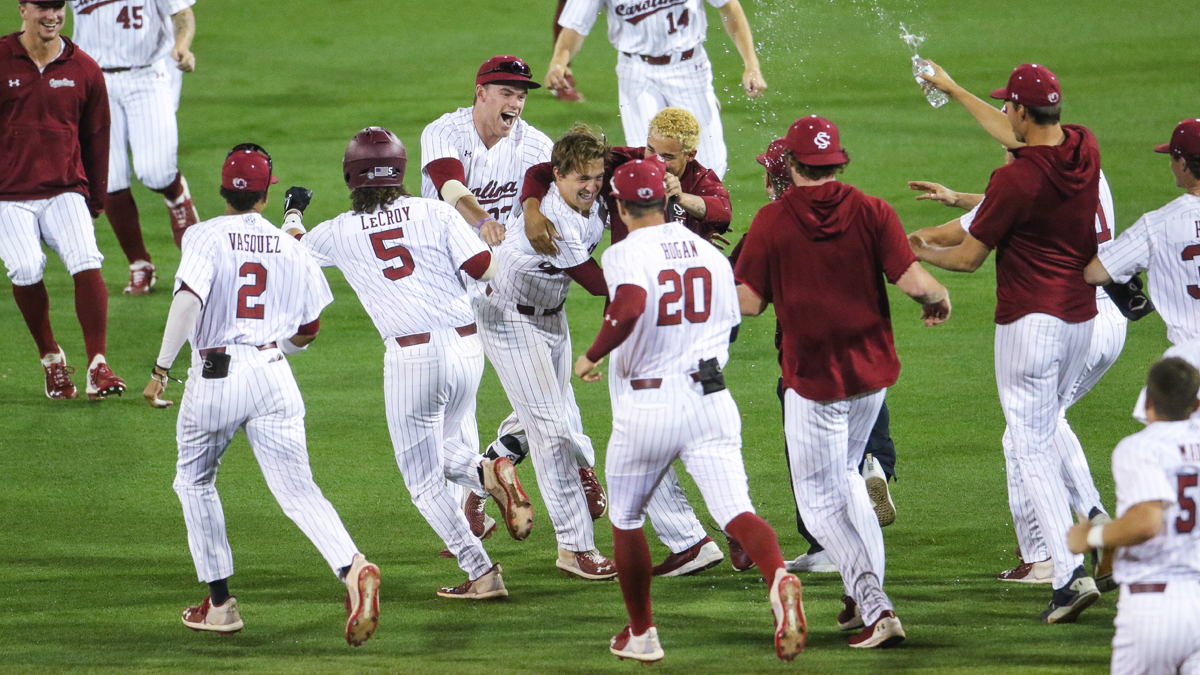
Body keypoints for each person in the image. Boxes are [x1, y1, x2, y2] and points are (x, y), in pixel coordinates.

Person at [142, 144, 380, 645]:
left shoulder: (203, 234)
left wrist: (161, 370)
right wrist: (278, 347)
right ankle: (352, 564)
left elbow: (188, 300)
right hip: (274, 374)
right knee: (298, 490)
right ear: (267, 196)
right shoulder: (289, 245)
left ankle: (221, 605)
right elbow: (309, 327)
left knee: (195, 483)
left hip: (215, 375)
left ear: (224, 190)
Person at [574, 159, 807, 662]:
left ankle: (643, 634)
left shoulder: (623, 252)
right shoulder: (708, 252)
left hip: (649, 405)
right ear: (666, 200)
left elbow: (631, 303)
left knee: (628, 518)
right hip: (711, 398)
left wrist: (592, 353)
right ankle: (779, 578)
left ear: (619, 205)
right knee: (736, 510)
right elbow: (734, 323)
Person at [284, 127, 532, 598]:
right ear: (400, 172)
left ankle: (481, 571)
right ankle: (487, 470)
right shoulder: (435, 212)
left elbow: (291, 249)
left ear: (351, 177)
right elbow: (484, 267)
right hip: (466, 349)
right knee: (439, 452)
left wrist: (293, 209)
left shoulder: (338, 231)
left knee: (422, 481)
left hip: (412, 358)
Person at [736, 115, 951, 648]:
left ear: (791, 164)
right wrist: (937, 298)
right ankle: (861, 602)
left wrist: (706, 285)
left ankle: (876, 605)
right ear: (838, 161)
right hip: (871, 378)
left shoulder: (772, 222)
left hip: (814, 383)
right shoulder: (873, 210)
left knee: (819, 502)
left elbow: (751, 304)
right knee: (850, 479)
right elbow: (912, 280)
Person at [910, 63, 1104, 623]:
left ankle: (1066, 575)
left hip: (1029, 325)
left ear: (1021, 111)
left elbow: (969, 258)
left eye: (1009, 107)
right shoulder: (1083, 147)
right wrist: (953, 89)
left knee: (1029, 445)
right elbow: (1023, 139)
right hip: (1080, 320)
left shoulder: (1014, 181)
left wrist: (918, 254)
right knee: (1045, 432)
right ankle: (1091, 526)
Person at [911, 152, 1130, 588]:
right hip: (1112, 318)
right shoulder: (1084, 171)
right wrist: (960, 198)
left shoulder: (1025, 184)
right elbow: (1012, 203)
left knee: (1029, 430)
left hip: (1072, 318)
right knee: (1027, 431)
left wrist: (897, 246)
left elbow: (964, 240)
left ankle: (1068, 538)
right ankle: (1062, 542)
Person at [420, 55, 608, 529]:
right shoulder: (445, 132)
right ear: (480, 92)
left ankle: (490, 481)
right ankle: (474, 502)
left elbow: (554, 174)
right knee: (455, 405)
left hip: (501, 285)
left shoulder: (533, 142)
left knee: (546, 401)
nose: (516, 102)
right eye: (506, 92)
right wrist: (481, 218)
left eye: (522, 94)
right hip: (441, 284)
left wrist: (530, 207)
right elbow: (447, 182)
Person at [730, 139, 898, 576]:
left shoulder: (770, 226)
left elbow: (744, 298)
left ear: (777, 178)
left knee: (819, 480)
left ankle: (832, 554)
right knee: (851, 462)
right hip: (868, 360)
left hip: (807, 369)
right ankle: (877, 463)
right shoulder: (860, 213)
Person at [1, 0, 125, 401]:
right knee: (24, 266)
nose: (52, 15)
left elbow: (97, 138)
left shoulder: (84, 68)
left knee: (86, 257)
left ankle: (97, 365)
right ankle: (51, 358)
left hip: (65, 188)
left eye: (59, 7)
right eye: (43, 8)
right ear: (23, 9)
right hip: (8, 194)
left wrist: (97, 198)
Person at [1067, 357, 1200, 675]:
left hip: (1153, 607)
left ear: (1149, 401)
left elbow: (1146, 522)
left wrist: (1090, 537)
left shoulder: (1141, 448)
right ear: (1196, 403)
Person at [547, 0, 768, 178]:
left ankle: (698, 230)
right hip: (636, 71)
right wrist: (559, 61)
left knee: (710, 167)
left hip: (689, 68)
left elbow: (730, 7)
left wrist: (752, 65)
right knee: (647, 166)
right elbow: (575, 25)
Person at [68, 0, 199, 294]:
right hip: (94, 80)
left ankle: (175, 195)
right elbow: (47, 13)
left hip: (147, 75)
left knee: (155, 172)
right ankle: (139, 264)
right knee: (108, 179)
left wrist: (182, 45)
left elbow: (183, 14)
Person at [1085, 118, 1200, 423]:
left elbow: (1095, 273)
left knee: (1169, 456)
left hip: (1189, 368)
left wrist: (1124, 278)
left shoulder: (1158, 225)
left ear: (1183, 163)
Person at [523, 107, 732, 255]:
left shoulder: (700, 179)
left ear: (690, 155)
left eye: (667, 157)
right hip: (630, 270)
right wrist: (531, 213)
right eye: (650, 149)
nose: (654, 161)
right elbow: (542, 171)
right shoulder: (625, 163)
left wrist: (682, 198)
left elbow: (723, 214)